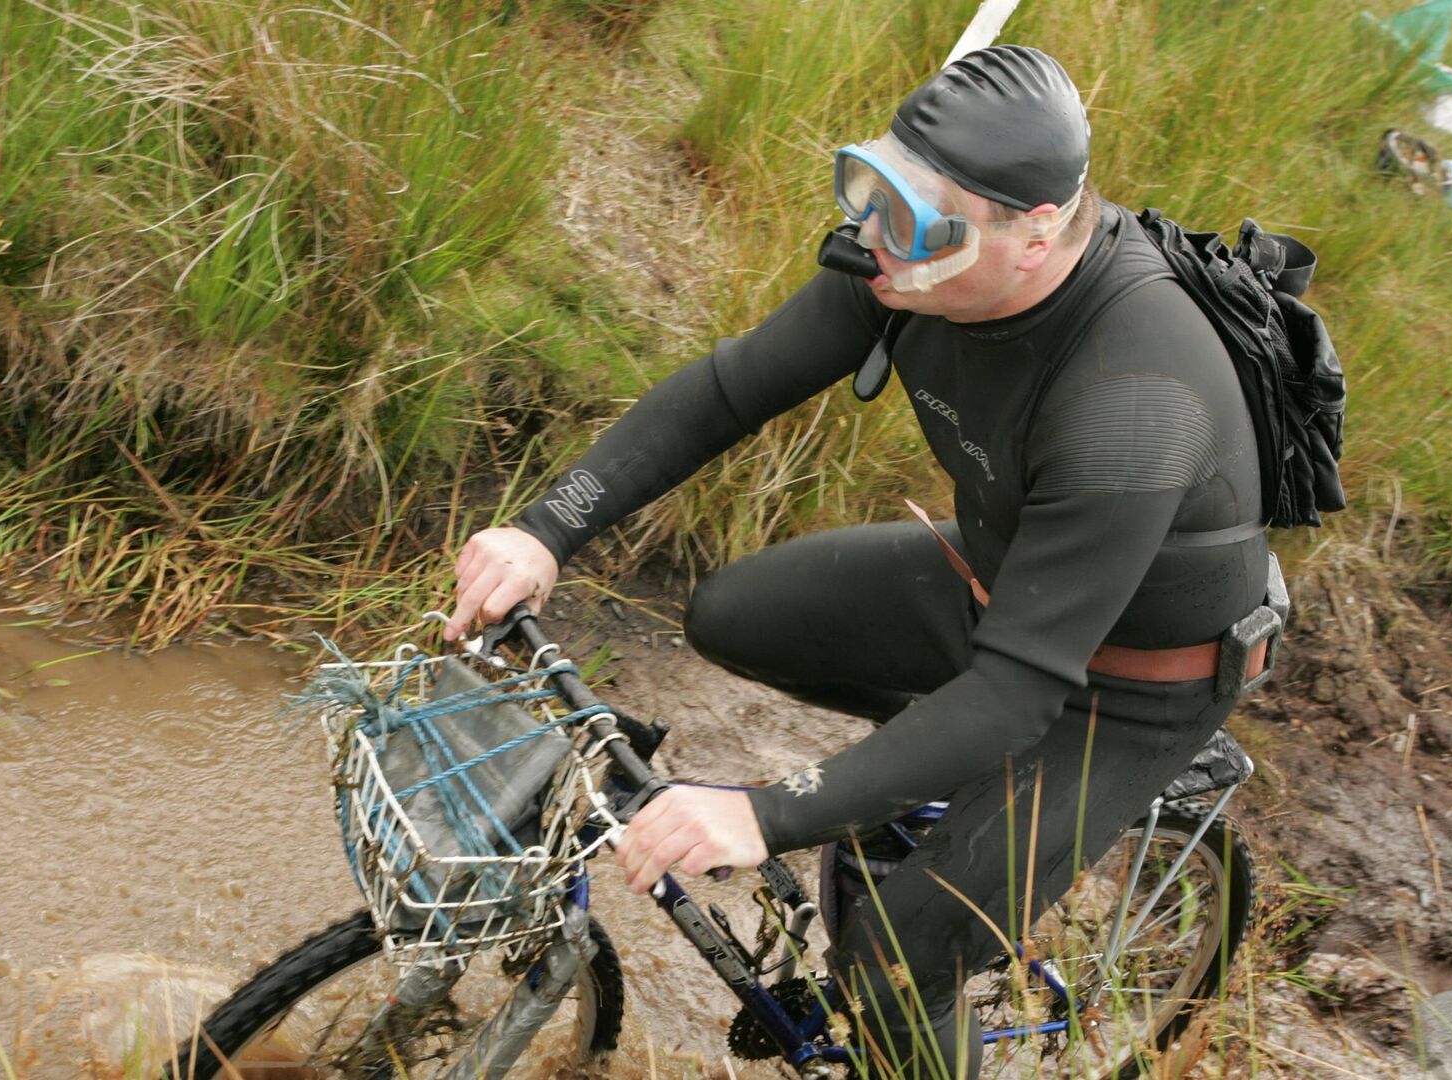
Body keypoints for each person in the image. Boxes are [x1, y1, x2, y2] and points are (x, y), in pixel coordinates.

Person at [445, 45, 1270, 1078]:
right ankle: (907, 790)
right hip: (999, 583)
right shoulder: (902, 261)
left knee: (893, 963)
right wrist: (544, 529)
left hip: (1132, 686)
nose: (876, 232)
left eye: (920, 219)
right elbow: (725, 392)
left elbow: (1016, 691)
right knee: (733, 614)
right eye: (868, 186)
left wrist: (767, 811)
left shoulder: (1132, 395)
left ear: (1038, 232)